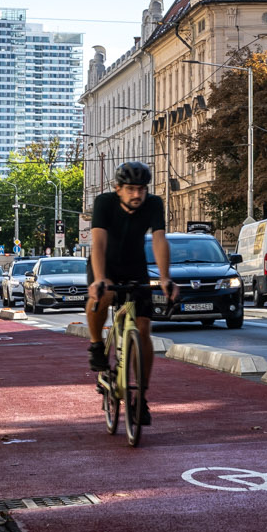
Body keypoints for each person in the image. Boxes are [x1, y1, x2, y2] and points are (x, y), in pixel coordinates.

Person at [84, 161, 173, 414]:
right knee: (104, 293)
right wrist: (100, 278)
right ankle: (96, 344)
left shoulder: (154, 203)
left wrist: (165, 277)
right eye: (131, 189)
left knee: (143, 330)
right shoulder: (104, 203)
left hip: (135, 266)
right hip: (105, 264)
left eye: (142, 189)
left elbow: (159, 239)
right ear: (118, 188)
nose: (137, 195)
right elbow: (98, 243)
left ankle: (141, 398)